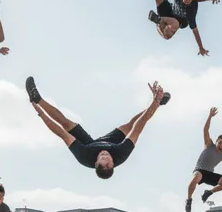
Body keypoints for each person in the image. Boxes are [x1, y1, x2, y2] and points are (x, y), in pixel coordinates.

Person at [25, 77, 169, 179]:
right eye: (108, 156)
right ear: (114, 162)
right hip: (113, 143)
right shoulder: (121, 153)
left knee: (67, 124)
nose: (105, 153)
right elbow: (140, 125)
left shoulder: (84, 156)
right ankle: (158, 105)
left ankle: (36, 98)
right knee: (130, 125)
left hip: (88, 145)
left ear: (96, 162)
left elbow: (62, 134)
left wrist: (41, 114)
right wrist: (155, 102)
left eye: (102, 156)